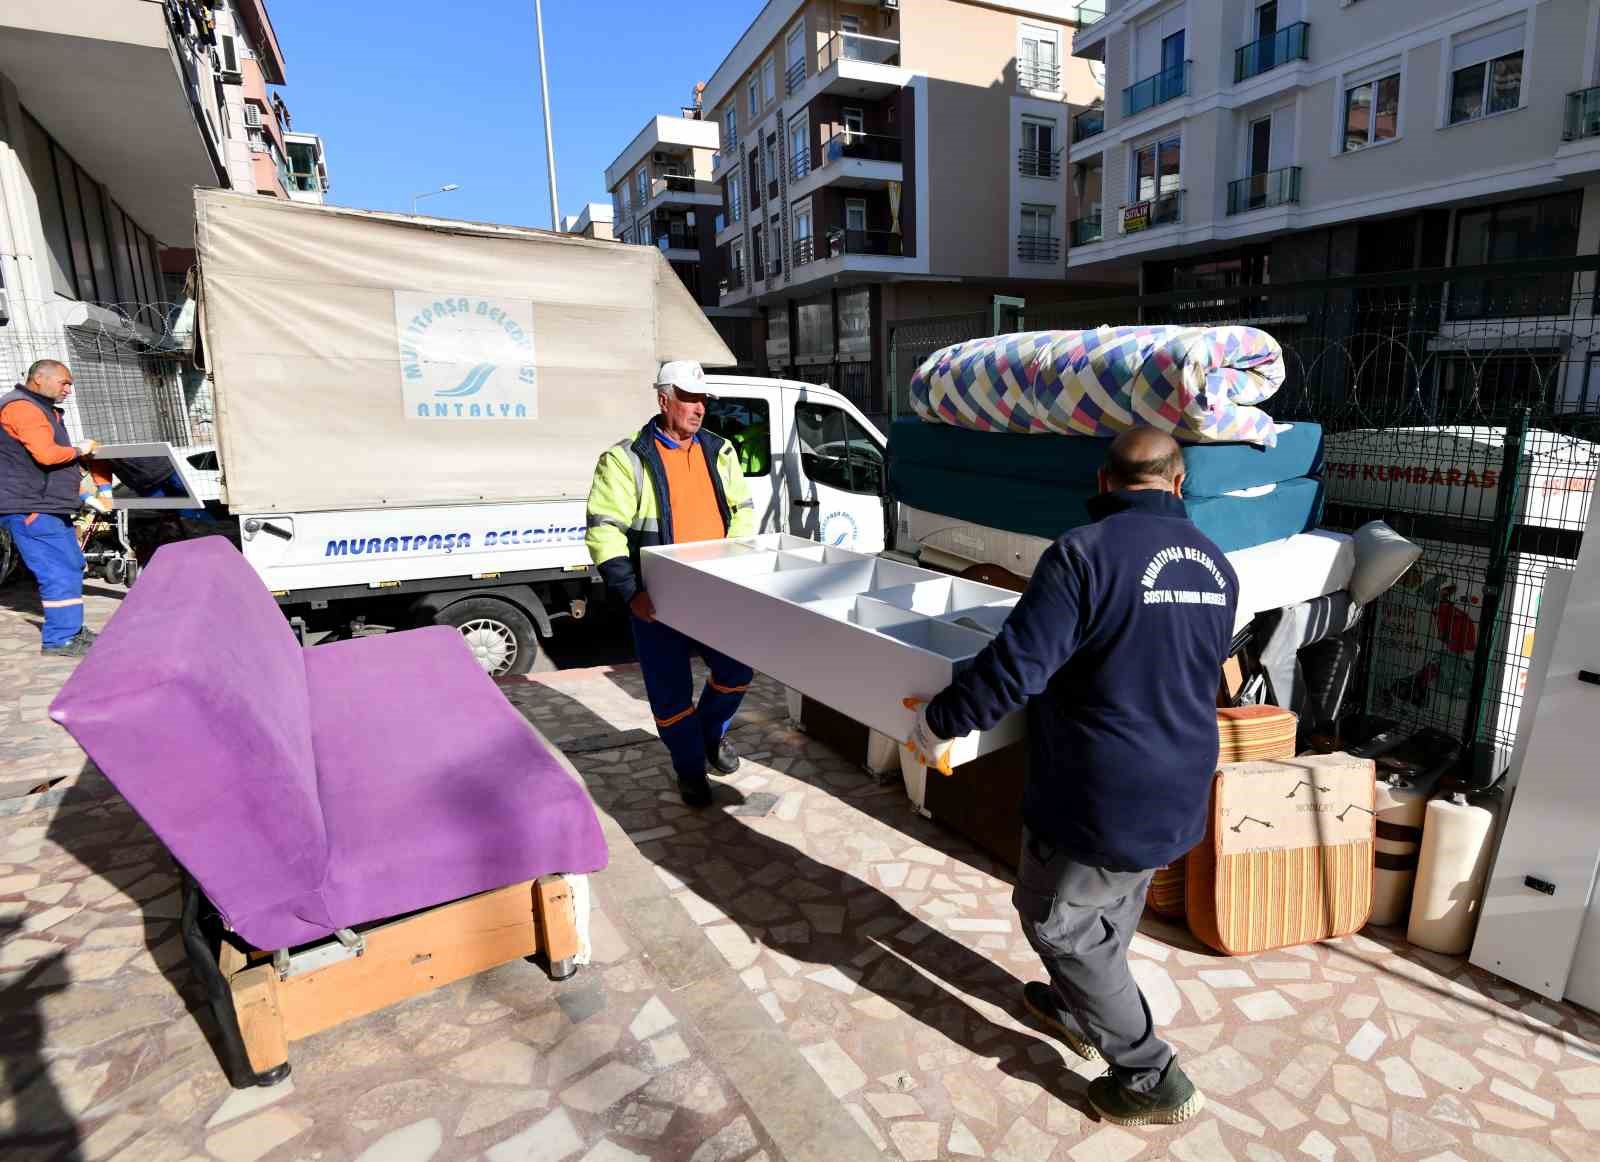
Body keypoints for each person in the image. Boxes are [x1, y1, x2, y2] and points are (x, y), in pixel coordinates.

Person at [905, 427, 1237, 1128]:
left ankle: (1149, 1074)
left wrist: (940, 722)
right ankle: (1081, 1006)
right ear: (1179, 485)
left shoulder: (1082, 555)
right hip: (1179, 779)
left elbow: (1016, 668)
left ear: (1102, 480)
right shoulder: (1216, 565)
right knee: (1109, 906)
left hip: (1103, 791)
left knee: (1059, 925)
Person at [586, 361, 758, 807]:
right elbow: (604, 530)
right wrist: (630, 592)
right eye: (689, 398)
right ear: (664, 399)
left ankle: (707, 737)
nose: (699, 408)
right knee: (670, 695)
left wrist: (738, 569)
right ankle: (689, 769)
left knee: (737, 672)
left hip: (717, 592)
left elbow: (741, 513)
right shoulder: (626, 459)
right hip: (658, 600)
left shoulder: (720, 450)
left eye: (703, 399)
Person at [1, 360, 102, 657]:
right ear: (39, 379)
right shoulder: (23, 408)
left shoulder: (41, 408)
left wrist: (83, 495)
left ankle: (71, 630)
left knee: (70, 564)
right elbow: (46, 455)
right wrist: (80, 450)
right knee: (57, 571)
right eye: (64, 382)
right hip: (32, 507)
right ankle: (60, 638)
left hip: (46, 505)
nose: (69, 389)